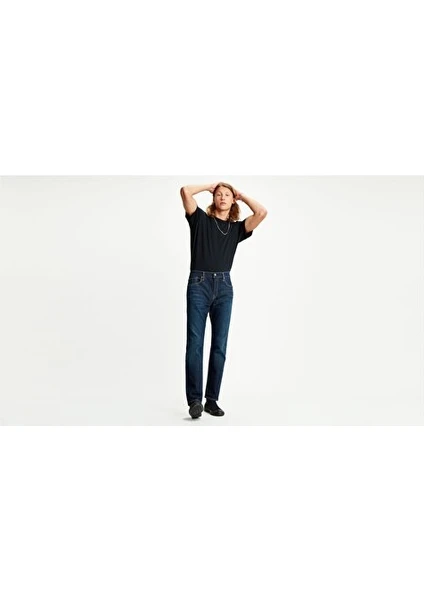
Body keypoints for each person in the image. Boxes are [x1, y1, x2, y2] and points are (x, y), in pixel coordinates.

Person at [180, 182, 268, 419]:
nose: (222, 197)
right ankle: (195, 401)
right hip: (199, 284)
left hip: (224, 288)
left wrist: (242, 195)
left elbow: (261, 212)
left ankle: (211, 400)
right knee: (195, 343)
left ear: (233, 200)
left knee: (219, 346)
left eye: (227, 194)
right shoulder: (200, 220)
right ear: (213, 198)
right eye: (218, 194)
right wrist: (208, 186)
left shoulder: (236, 229)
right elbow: (185, 191)